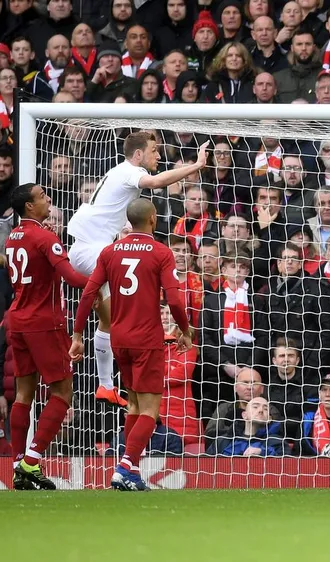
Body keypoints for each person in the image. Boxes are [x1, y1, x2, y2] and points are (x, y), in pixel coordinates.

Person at [65, 131, 206, 408]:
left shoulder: (118, 173)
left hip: (87, 249)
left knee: (108, 317)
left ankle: (106, 386)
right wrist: (197, 166)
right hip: (92, 250)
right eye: (154, 151)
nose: (159, 156)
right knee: (138, 276)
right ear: (138, 154)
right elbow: (156, 182)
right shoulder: (131, 171)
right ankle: (150, 331)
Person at [69, 199, 192, 491]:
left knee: (134, 405)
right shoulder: (161, 252)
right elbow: (175, 300)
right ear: (153, 219)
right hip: (147, 339)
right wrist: (185, 330)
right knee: (150, 410)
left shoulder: (110, 251)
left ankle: (132, 471)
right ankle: (124, 467)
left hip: (119, 339)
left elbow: (88, 294)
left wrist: (77, 335)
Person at [4, 183, 89, 490]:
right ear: (29, 206)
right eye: (41, 196)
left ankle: (18, 464)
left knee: (23, 395)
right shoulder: (44, 237)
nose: (48, 198)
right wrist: (105, 277)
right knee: (63, 393)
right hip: (44, 322)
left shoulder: (13, 237)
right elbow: (72, 278)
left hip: (18, 319)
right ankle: (32, 460)